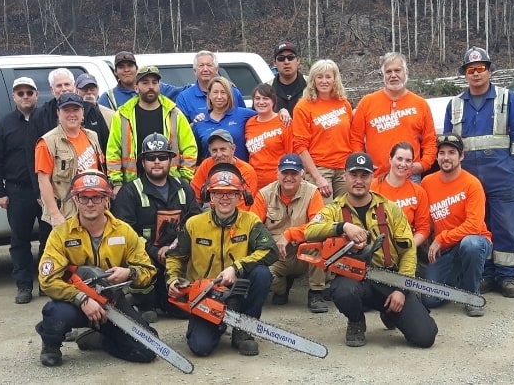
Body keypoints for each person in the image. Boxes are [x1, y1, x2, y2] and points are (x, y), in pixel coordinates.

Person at [305, 152, 437, 348]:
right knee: (343, 291)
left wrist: (401, 288)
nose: (359, 181)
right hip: (355, 281)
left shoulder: (390, 208)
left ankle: (390, 312)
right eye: (354, 175)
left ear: (372, 177)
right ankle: (356, 320)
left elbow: (408, 250)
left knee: (425, 337)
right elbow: (310, 231)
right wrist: (342, 227)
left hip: (390, 278)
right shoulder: (334, 209)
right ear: (345, 177)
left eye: (364, 175)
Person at [35, 170, 158, 367]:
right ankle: (50, 344)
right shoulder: (61, 235)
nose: (90, 203)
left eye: (96, 197)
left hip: (112, 302)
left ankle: (99, 338)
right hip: (75, 303)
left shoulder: (124, 231)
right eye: (84, 198)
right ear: (75, 199)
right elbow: (47, 280)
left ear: (106, 199)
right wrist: (81, 298)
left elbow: (148, 271)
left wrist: (130, 273)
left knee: (147, 348)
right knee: (53, 312)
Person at [443, 46, 514, 298]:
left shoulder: (506, 98)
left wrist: (511, 167)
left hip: (501, 177)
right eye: (471, 70)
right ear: (465, 74)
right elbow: (449, 144)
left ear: (490, 71)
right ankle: (485, 274)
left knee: (504, 227)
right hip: (468, 181)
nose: (476, 74)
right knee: (477, 227)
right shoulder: (455, 104)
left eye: (480, 68)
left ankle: (507, 278)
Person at [166, 165, 278, 357]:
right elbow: (175, 256)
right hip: (206, 294)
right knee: (200, 347)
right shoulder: (194, 224)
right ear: (210, 195)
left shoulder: (250, 221)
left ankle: (244, 330)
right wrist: (172, 280)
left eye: (230, 193)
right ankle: (217, 326)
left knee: (262, 274)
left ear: (239, 196)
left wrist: (237, 267)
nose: (224, 198)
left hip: (237, 291)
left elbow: (270, 251)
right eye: (218, 192)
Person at [112, 133, 203, 322]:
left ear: (170, 160)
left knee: (184, 311)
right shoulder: (130, 192)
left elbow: (197, 220)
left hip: (178, 256)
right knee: (148, 302)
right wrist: (155, 250)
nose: (157, 162)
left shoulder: (184, 188)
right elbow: (125, 231)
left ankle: (169, 300)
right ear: (142, 162)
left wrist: (178, 245)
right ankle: (142, 302)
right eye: (151, 158)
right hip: (147, 258)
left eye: (162, 157)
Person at [0, 77, 49, 304]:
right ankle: (24, 285)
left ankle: (46, 280)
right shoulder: (3, 126)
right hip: (18, 191)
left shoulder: (48, 121)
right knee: (20, 240)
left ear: (37, 95)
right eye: (20, 93)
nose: (25, 97)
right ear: (14, 97)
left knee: (50, 237)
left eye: (29, 92)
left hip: (46, 191)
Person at [421, 133, 493, 317]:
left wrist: (442, 238)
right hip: (444, 250)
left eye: (452, 152)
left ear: (461, 156)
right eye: (442, 153)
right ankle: (458, 279)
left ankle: (472, 295)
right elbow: (423, 219)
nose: (446, 157)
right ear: (436, 157)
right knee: (430, 300)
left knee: (471, 245)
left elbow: (475, 225)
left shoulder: (472, 184)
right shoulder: (427, 183)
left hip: (474, 242)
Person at [249, 154, 327, 313]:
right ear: (277, 173)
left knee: (321, 243)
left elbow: (318, 225)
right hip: (277, 254)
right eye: (285, 173)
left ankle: (316, 292)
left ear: (302, 174)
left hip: (304, 250)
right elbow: (253, 228)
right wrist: (270, 247)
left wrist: (290, 234)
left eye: (294, 173)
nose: (289, 177)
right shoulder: (264, 194)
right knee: (261, 274)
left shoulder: (312, 193)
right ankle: (281, 288)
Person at [106, 65, 197, 193]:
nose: (151, 87)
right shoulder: (122, 116)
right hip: (133, 186)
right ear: (136, 88)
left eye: (155, 82)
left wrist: (184, 179)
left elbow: (190, 148)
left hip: (170, 185)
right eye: (145, 83)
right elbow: (113, 152)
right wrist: (116, 182)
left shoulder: (174, 114)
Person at [349, 52, 437, 178]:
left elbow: (430, 141)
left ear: (405, 72)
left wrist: (424, 164)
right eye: (388, 71)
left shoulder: (420, 104)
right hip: (377, 175)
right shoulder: (367, 102)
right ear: (383, 75)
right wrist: (363, 162)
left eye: (397, 70)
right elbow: (355, 138)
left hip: (410, 176)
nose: (393, 75)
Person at [34, 92, 104, 227]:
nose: (72, 114)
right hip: (67, 214)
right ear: (58, 113)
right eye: (66, 110)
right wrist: (55, 214)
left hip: (93, 209)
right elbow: (43, 180)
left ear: (83, 112)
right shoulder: (47, 142)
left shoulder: (92, 136)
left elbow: (101, 170)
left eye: (76, 110)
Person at [293, 59, 353, 204]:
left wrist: (350, 169)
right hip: (319, 169)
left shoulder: (344, 104)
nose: (324, 81)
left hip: (343, 168)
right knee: (325, 218)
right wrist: (317, 177)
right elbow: (300, 146)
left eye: (328, 77)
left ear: (335, 79)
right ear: (313, 80)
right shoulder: (303, 106)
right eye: (319, 77)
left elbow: (351, 137)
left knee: (345, 213)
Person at [370, 142, 431, 275]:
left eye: (408, 161)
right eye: (399, 159)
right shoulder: (373, 187)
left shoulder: (418, 191)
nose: (403, 164)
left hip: (406, 247)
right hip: (377, 249)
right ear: (390, 159)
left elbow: (423, 228)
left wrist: (408, 248)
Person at [190, 129, 258, 211]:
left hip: (237, 216)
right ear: (210, 151)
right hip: (208, 214)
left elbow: (244, 207)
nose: (219, 154)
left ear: (232, 149)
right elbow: (193, 197)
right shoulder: (206, 164)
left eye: (223, 149)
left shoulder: (247, 171)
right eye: (214, 150)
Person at [192, 76, 256, 162]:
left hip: (240, 172)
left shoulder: (243, 114)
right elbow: (196, 156)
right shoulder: (200, 123)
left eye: (223, 92)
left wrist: (281, 112)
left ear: (229, 95)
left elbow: (268, 117)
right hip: (212, 173)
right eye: (215, 92)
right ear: (209, 95)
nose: (219, 96)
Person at [99, 51, 189, 110]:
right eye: (121, 67)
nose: (126, 70)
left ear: (137, 69)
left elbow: (186, 91)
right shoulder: (108, 99)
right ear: (115, 72)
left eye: (130, 66)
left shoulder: (157, 88)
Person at [244, 84, 294, 190]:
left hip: (278, 183)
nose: (261, 102)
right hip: (254, 183)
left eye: (265, 98)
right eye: (257, 98)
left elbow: (291, 153)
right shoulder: (249, 123)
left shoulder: (283, 121)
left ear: (273, 101)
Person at [175, 50, 246, 123]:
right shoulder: (184, 98)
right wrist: (195, 124)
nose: (205, 69)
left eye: (209, 65)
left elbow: (245, 120)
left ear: (216, 69)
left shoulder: (233, 92)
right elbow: (180, 129)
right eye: (201, 65)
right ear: (195, 71)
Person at [271, 41, 306, 115]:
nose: (286, 62)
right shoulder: (267, 88)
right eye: (281, 58)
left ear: (298, 60)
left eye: (290, 57)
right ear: (274, 63)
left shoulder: (312, 84)